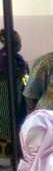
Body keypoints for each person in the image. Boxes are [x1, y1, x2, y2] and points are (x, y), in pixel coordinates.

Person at [0, 29, 29, 161]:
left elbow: (25, 78)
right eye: (17, 41)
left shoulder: (19, 60)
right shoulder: (3, 59)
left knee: (18, 127)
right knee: (7, 129)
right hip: (6, 100)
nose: (19, 44)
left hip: (19, 100)